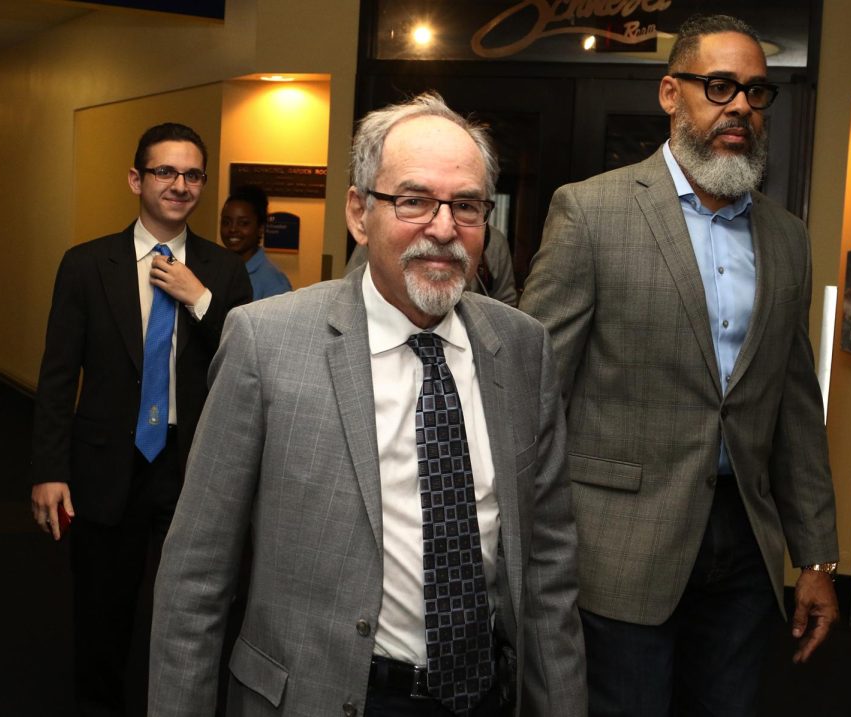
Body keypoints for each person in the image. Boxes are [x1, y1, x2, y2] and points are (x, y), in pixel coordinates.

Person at [149, 92, 586, 716]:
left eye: (465, 205)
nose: (442, 228)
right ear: (359, 212)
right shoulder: (265, 343)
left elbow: (548, 571)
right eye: (413, 200)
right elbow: (196, 577)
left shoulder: (521, 349)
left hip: (483, 695)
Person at [520, 14, 839, 716]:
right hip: (617, 551)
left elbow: (794, 409)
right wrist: (526, 547)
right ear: (670, 93)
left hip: (743, 550)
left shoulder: (786, 238)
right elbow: (534, 391)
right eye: (719, 86)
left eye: (757, 93)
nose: (740, 108)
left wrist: (816, 557)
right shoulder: (591, 213)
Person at [30, 122, 252, 716]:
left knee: (193, 606)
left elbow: (245, 363)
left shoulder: (224, 272)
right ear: (136, 179)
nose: (179, 185)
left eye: (192, 174)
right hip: (107, 462)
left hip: (191, 463)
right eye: (165, 172)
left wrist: (196, 296)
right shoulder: (85, 264)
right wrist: (50, 468)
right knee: (103, 605)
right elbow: (57, 376)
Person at [345, 223, 518, 306]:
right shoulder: (380, 241)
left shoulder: (495, 243)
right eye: (415, 202)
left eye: (464, 206)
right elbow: (352, 292)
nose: (443, 232)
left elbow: (507, 300)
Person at [220, 184, 293, 299]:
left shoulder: (274, 282)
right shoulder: (218, 269)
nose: (233, 229)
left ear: (260, 228)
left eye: (243, 223)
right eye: (226, 222)